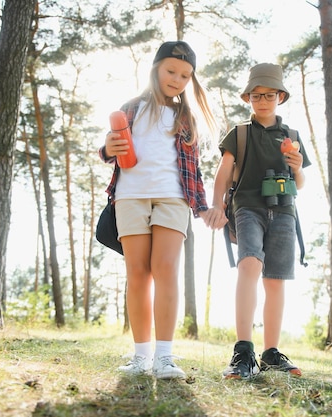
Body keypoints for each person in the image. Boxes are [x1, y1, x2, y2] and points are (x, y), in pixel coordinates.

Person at [98, 41, 220, 380]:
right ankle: (140, 356)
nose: (177, 79)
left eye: (185, 76)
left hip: (173, 198)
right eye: (171, 71)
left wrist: (201, 206)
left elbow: (192, 168)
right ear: (155, 69)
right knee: (138, 273)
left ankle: (164, 356)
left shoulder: (186, 117)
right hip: (130, 196)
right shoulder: (132, 108)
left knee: (165, 269)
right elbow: (111, 148)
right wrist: (108, 147)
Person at [205, 63, 311, 379]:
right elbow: (223, 171)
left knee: (276, 279)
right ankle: (243, 351)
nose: (262, 100)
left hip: (283, 213)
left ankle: (271, 353)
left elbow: (300, 184)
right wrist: (216, 205)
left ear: (280, 96)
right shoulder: (239, 134)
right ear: (248, 97)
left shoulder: (291, 136)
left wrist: (297, 166)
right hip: (247, 207)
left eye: (268, 95)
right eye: (255, 95)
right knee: (249, 265)